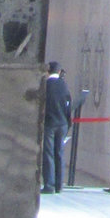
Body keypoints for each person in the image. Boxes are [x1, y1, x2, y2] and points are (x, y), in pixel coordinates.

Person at [41, 61, 72, 194]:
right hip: (62, 124)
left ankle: (49, 185)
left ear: (48, 72)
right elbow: (68, 105)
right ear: (59, 72)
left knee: (48, 154)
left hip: (50, 123)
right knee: (59, 153)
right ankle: (59, 185)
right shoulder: (64, 85)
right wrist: (67, 122)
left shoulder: (45, 85)